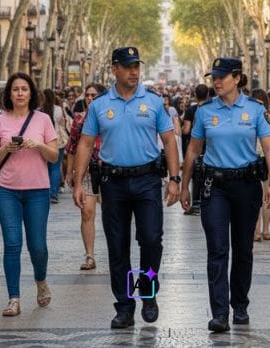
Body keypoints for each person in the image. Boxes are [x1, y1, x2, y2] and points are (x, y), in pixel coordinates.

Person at [71, 47, 181, 329]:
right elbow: (85, 144)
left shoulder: (154, 102)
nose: (134, 72)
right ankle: (124, 306)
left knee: (151, 239)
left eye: (137, 66)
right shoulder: (99, 105)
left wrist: (174, 178)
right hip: (113, 183)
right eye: (128, 66)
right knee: (117, 247)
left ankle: (147, 293)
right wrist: (78, 182)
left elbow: (169, 141)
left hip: (147, 181)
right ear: (114, 69)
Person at [180, 59, 270, 332]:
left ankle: (241, 304)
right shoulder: (204, 111)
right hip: (215, 187)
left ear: (237, 78)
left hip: (246, 186)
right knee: (218, 249)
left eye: (222, 76)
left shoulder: (255, 109)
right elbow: (192, 150)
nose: (216, 81)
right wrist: (185, 185)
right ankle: (220, 312)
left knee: (244, 249)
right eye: (214, 77)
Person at [0, 73, 59, 317]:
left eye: (24, 89)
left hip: (37, 190)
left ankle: (41, 281)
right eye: (15, 89)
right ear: (9, 93)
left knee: (37, 246)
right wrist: (7, 148)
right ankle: (13, 298)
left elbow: (54, 156)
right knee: (12, 244)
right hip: (6, 191)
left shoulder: (43, 120)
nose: (19, 93)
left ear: (31, 93)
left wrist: (38, 145)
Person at [64, 83, 106, 271]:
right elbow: (72, 147)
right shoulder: (79, 119)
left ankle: (116, 254)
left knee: (114, 216)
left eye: (94, 95)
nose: (90, 98)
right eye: (87, 95)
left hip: (109, 172)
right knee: (87, 212)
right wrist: (71, 172)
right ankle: (90, 256)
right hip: (87, 172)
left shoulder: (110, 117)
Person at [250, 88, 270, 242]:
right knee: (268, 195)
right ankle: (265, 230)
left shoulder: (248, 117)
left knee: (255, 197)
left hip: (253, 159)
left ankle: (256, 231)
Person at [182, 84, 210, 215]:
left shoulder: (191, 110)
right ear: (208, 95)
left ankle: (197, 203)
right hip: (208, 147)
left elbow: (187, 130)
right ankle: (207, 201)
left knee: (196, 174)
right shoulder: (211, 109)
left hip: (195, 145)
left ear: (195, 95)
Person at [40, 89, 67, 203]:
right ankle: (54, 194)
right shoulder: (59, 109)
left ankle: (45, 191)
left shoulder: (39, 110)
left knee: (44, 167)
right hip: (57, 141)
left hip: (43, 142)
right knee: (56, 167)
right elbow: (62, 123)